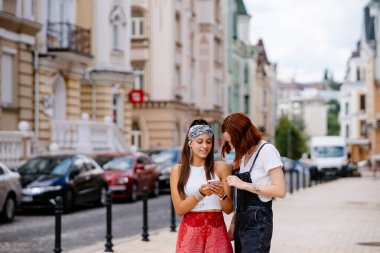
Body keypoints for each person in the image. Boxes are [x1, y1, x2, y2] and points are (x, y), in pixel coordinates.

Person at [222, 112, 286, 253]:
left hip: (258, 223)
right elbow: (244, 198)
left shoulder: (267, 151)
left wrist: (243, 185)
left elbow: (280, 190)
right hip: (241, 222)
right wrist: (234, 222)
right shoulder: (244, 155)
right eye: (228, 141)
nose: (231, 146)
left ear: (243, 135)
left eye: (232, 140)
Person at [170, 119, 234, 253]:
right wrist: (200, 194)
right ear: (190, 143)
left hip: (217, 232)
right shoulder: (178, 170)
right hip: (190, 233)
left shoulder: (221, 168)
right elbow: (179, 210)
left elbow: (228, 209)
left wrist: (222, 194)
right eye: (200, 141)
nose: (205, 146)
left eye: (208, 142)